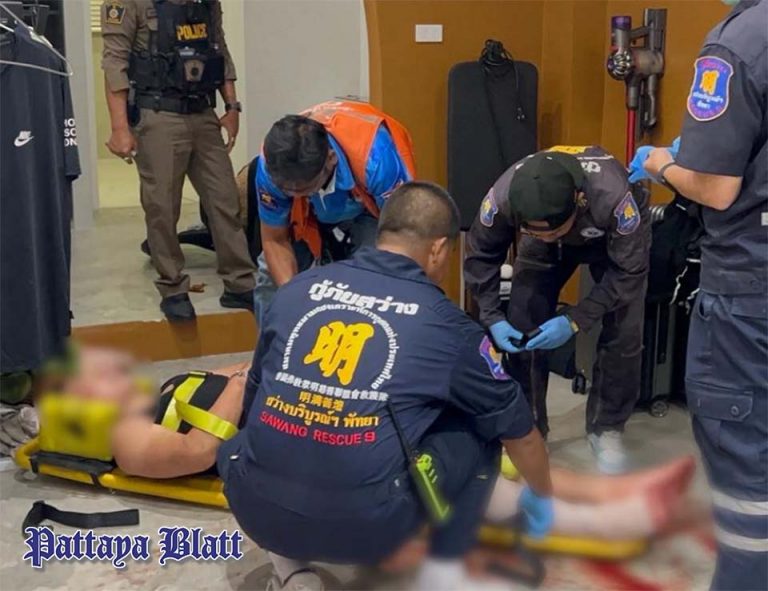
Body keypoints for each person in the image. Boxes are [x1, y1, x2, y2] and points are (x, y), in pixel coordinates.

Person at [220, 182, 554, 591]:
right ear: (438, 250)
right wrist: (543, 498)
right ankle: (446, 567)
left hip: (254, 509)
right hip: (369, 531)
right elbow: (521, 434)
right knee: (480, 424)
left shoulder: (295, 291)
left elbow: (254, 395)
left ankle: (293, 572)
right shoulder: (448, 327)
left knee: (252, 434)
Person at [630, 0, 767, 587]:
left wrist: (664, 164)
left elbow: (714, 188)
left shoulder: (738, 43)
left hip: (751, 294)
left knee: (748, 491)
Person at [464, 147, 651, 474]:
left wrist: (575, 319)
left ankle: (606, 428)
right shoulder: (503, 198)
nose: (547, 237)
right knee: (522, 323)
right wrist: (492, 317)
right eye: (535, 230)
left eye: (552, 231)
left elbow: (629, 273)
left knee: (625, 331)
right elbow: (480, 257)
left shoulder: (615, 199)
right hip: (543, 246)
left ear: (578, 200)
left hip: (607, 237)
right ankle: (530, 427)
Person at [101, 0, 256, 322]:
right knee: (162, 206)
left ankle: (239, 283)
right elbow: (115, 63)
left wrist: (232, 107)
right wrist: (119, 128)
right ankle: (172, 287)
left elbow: (219, 50)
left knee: (225, 200)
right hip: (158, 115)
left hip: (203, 112)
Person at [252, 101, 413, 320]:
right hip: (307, 213)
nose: (293, 193)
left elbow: (401, 239)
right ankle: (274, 341)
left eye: (302, 188)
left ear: (330, 158)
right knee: (270, 279)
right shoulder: (271, 167)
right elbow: (274, 240)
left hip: (371, 210)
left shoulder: (376, 158)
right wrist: (291, 298)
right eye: (286, 190)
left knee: (372, 276)